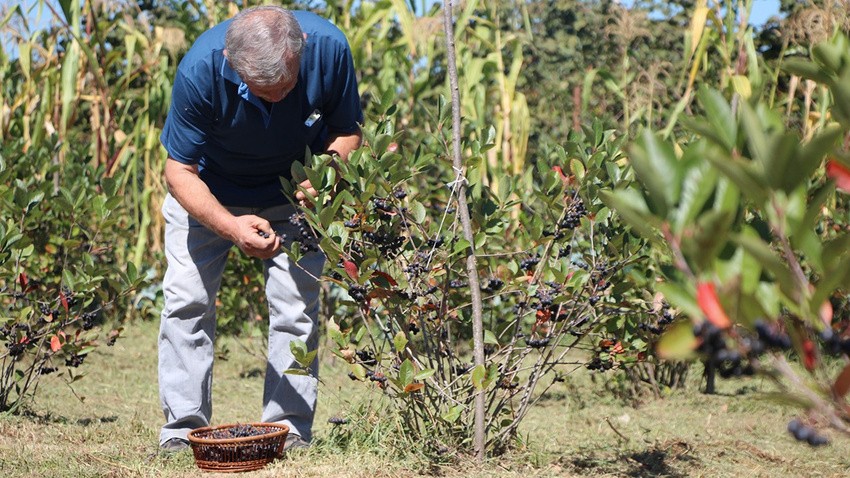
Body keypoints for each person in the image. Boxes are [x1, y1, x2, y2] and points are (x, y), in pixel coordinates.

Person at [157, 5, 362, 452]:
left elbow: (347, 134)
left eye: (285, 87)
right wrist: (231, 227)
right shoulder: (201, 67)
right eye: (260, 90)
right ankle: (181, 431)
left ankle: (289, 431)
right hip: (208, 192)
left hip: (296, 192)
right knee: (186, 302)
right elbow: (179, 173)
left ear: (300, 51)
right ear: (233, 63)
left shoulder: (329, 48)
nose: (275, 99)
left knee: (296, 308)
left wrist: (324, 178)